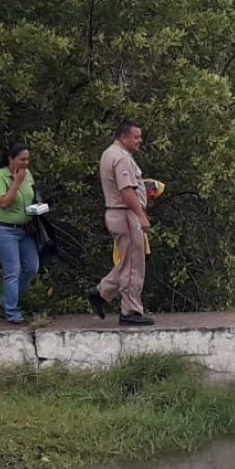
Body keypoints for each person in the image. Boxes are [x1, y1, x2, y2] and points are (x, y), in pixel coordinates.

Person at [86, 120, 154, 326]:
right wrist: (140, 215)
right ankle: (131, 310)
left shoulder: (109, 153)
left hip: (117, 213)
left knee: (126, 261)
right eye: (136, 137)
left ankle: (100, 293)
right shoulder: (121, 158)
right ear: (123, 137)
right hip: (125, 214)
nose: (139, 141)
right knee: (134, 263)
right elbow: (126, 191)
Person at [0, 143, 39, 325]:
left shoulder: (29, 175)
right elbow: (3, 203)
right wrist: (16, 183)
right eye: (21, 159)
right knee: (12, 271)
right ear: (11, 159)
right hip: (5, 230)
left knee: (32, 267)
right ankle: (12, 312)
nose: (25, 163)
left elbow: (32, 196)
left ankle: (7, 298)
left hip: (25, 229)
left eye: (27, 159)